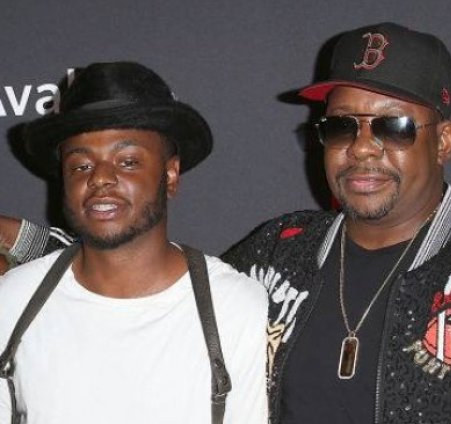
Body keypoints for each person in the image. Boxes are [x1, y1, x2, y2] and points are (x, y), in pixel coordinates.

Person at [2, 23, 451, 423]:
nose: (362, 148)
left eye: (391, 126)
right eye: (340, 126)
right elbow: (157, 283)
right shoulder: (281, 251)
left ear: (443, 141)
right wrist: (28, 243)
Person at [0, 62, 268, 424]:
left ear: (170, 175)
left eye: (127, 161)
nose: (100, 178)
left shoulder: (234, 309)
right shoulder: (13, 301)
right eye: (80, 166)